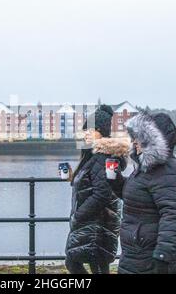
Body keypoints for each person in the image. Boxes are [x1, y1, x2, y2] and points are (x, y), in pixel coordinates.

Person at [112, 112, 176, 274]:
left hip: (150, 255)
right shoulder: (144, 167)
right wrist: (114, 179)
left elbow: (172, 214)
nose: (133, 142)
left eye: (137, 137)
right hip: (137, 251)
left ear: (151, 140)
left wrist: (162, 254)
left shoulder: (167, 170)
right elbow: (133, 197)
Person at [65, 104, 129, 274]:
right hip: (93, 222)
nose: (86, 134)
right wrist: (74, 178)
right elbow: (95, 182)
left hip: (97, 223)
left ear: (101, 131)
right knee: (86, 263)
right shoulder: (94, 156)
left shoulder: (101, 157)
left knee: (88, 264)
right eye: (85, 130)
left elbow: (103, 193)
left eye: (90, 130)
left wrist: (78, 215)